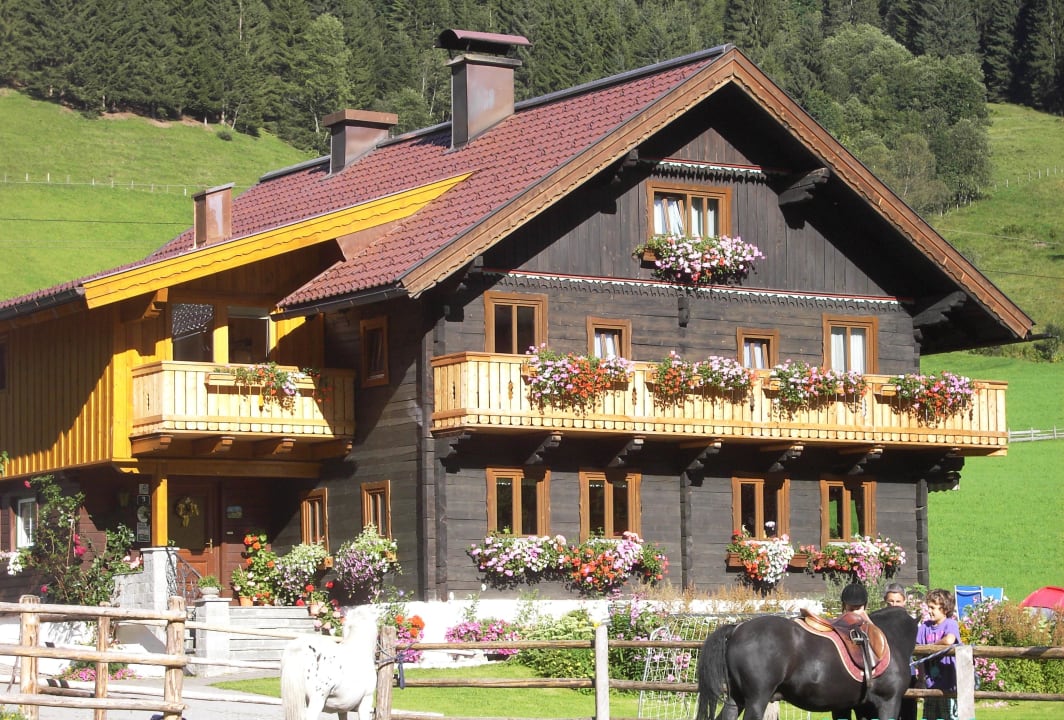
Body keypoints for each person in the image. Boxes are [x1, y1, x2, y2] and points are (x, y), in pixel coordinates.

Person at [917, 588, 961, 720]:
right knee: (929, 716)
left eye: (933, 608)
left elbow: (949, 640)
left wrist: (931, 647)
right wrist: (921, 679)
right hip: (931, 683)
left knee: (948, 716)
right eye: (928, 607)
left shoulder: (950, 624)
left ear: (945, 609)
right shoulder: (924, 627)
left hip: (948, 684)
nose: (929, 611)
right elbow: (919, 653)